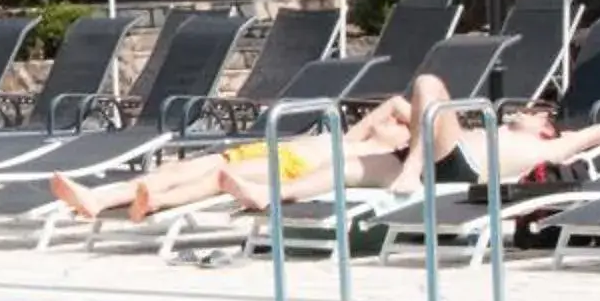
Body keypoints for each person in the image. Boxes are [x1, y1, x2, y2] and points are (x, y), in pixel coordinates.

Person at [52, 95, 414, 222]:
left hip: (292, 165)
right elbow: (396, 101)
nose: (390, 119)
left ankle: (156, 202)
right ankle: (98, 198)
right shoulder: (353, 138)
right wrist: (394, 115)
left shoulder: (384, 155)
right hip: (272, 147)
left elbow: (406, 110)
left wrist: (410, 122)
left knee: (215, 181)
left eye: (398, 123)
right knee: (174, 167)